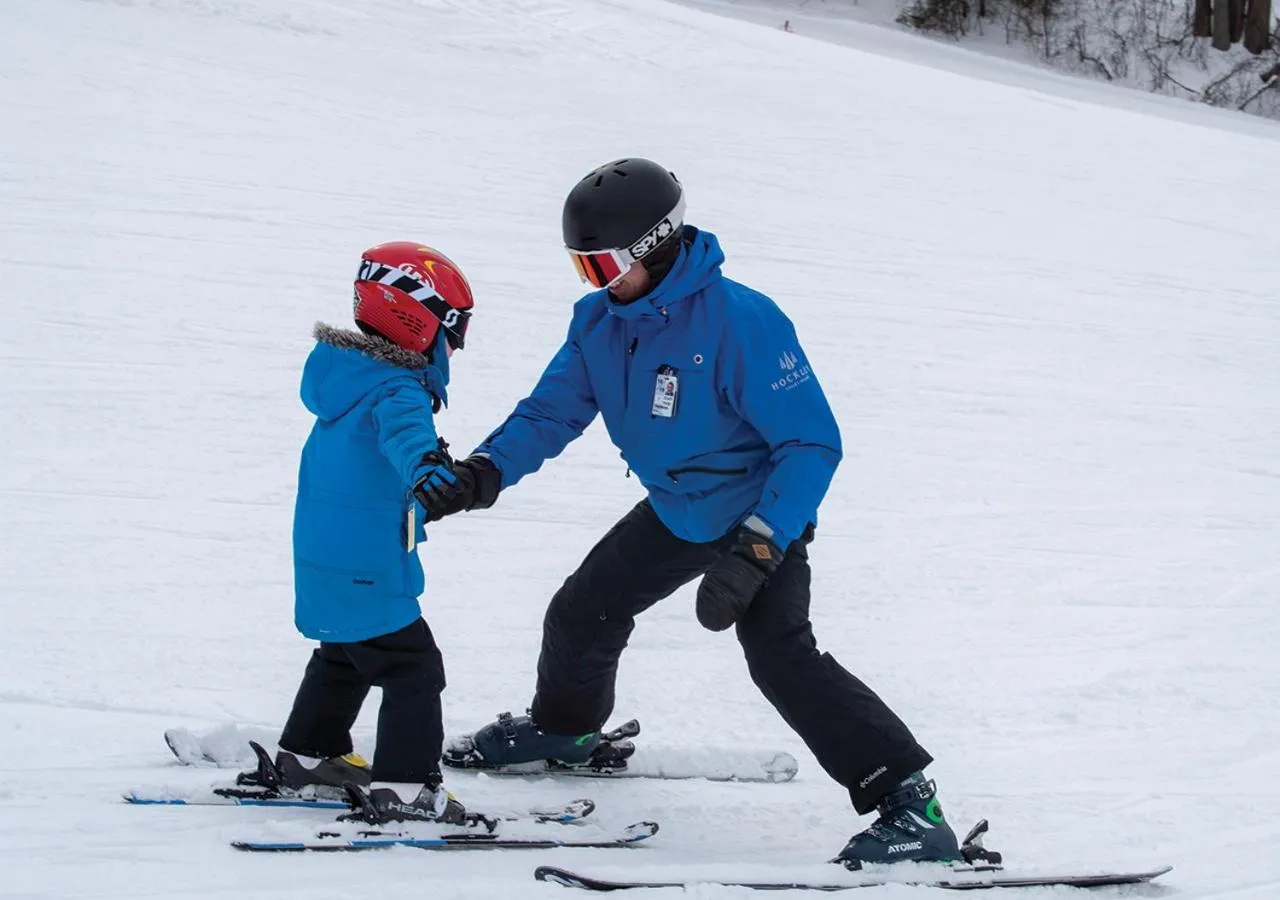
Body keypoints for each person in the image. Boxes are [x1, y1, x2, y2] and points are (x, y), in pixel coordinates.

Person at [420, 158, 964, 867]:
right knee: (582, 613)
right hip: (679, 509)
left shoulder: (741, 320)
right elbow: (551, 412)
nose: (598, 284)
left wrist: (761, 547)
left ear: (658, 244)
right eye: (584, 269)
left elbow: (811, 444)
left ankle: (911, 804)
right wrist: (483, 473)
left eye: (605, 265)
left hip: (760, 514)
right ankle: (565, 730)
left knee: (779, 655)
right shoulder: (598, 324)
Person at [235, 241, 474, 826]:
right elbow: (406, 438)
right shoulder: (397, 389)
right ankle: (406, 789)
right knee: (413, 668)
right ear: (417, 321)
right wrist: (431, 474)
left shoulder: (347, 380)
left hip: (323, 555)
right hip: (366, 562)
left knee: (344, 652)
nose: (456, 343)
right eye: (453, 327)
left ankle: (308, 757)